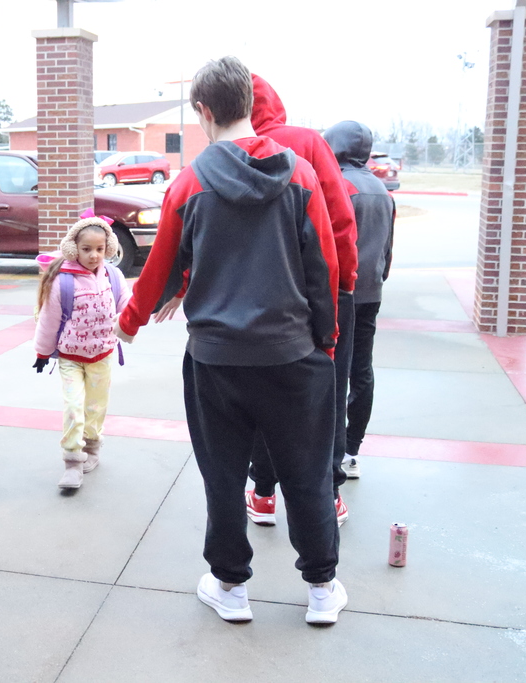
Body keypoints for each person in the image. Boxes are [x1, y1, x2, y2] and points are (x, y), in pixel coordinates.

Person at [115, 56, 348, 624]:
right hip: (294, 355)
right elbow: (325, 267)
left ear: (203, 111)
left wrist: (129, 320)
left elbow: (161, 270)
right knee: (307, 473)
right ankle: (321, 591)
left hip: (216, 361)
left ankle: (230, 588)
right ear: (251, 103)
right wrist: (328, 340)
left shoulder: (189, 183)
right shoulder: (299, 174)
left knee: (223, 476)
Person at [244, 73, 359, 528]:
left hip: (254, 300)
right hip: (319, 293)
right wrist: (345, 285)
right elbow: (340, 218)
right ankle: (328, 494)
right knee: (325, 394)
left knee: (260, 396)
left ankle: (265, 493)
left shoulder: (221, 154)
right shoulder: (307, 142)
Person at [34, 214, 131, 489]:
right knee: (74, 407)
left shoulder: (113, 275)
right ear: (74, 249)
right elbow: (49, 318)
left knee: (95, 407)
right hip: (70, 358)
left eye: (99, 249)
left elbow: (128, 305)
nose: (93, 255)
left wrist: (135, 317)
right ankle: (73, 462)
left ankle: (93, 449)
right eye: (87, 249)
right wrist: (43, 352)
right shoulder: (63, 280)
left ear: (108, 248)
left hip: (102, 356)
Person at [323, 121, 395, 478]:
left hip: (341, 295)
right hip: (371, 293)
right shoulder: (383, 191)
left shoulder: (339, 186)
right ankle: (352, 451)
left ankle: (329, 451)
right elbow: (387, 250)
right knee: (361, 371)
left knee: (332, 374)